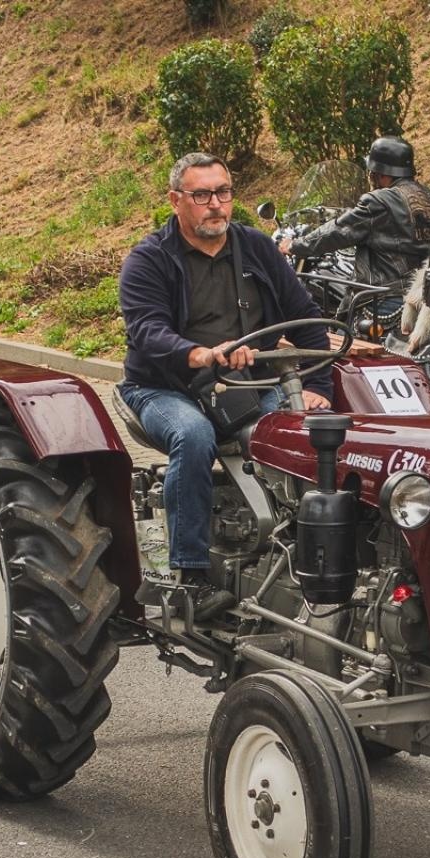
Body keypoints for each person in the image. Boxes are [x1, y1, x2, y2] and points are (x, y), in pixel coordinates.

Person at [118, 151, 333, 619]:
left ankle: (310, 556)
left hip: (247, 383)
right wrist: (199, 353)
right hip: (165, 386)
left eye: (223, 192)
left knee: (318, 432)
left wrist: (320, 387)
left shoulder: (256, 248)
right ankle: (189, 577)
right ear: (176, 201)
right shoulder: (148, 260)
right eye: (202, 195)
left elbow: (308, 324)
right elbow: (147, 331)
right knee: (194, 436)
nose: (215, 204)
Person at [277, 136, 430, 317]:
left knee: (341, 337)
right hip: (426, 295)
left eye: (371, 172)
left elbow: (338, 231)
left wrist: (295, 245)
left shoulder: (379, 201)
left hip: (384, 297)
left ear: (381, 173)